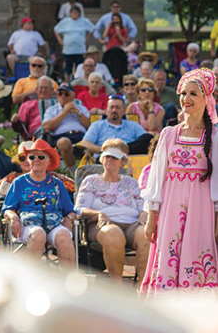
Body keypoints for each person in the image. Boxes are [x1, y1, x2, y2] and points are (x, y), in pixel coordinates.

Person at [140, 68, 218, 296]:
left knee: (197, 253)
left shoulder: (214, 137)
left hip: (201, 209)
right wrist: (152, 217)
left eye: (193, 94)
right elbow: (156, 179)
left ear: (206, 98)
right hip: (170, 209)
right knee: (168, 253)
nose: (186, 99)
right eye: (183, 93)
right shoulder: (168, 134)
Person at [75, 138, 149, 282]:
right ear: (101, 159)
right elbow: (79, 208)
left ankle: (143, 288)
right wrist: (99, 213)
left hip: (131, 225)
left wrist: (144, 214)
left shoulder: (132, 183)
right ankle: (117, 287)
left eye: (114, 157)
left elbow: (143, 205)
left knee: (147, 235)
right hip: (101, 225)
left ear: (122, 162)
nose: (109, 159)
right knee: (113, 233)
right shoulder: (91, 181)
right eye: (106, 156)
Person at [2, 139, 77, 269]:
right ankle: (27, 279)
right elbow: (7, 209)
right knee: (39, 233)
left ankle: (70, 282)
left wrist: (70, 219)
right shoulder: (19, 182)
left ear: (48, 161)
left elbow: (70, 210)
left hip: (54, 224)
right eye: (32, 157)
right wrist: (13, 217)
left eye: (41, 157)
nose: (36, 159)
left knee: (64, 235)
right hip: (28, 226)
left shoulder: (57, 183)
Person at [78, 95, 151, 156]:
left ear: (123, 111)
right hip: (105, 159)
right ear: (106, 110)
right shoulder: (97, 125)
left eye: (117, 107)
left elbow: (146, 139)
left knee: (149, 137)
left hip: (129, 159)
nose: (114, 110)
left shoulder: (133, 125)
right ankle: (117, 150)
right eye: (112, 107)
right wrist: (104, 150)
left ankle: (121, 150)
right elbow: (85, 143)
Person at [43, 83, 91, 168]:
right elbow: (46, 127)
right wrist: (64, 112)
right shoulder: (52, 110)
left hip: (81, 137)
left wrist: (78, 113)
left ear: (73, 96)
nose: (63, 96)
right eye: (60, 94)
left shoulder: (82, 109)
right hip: (61, 137)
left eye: (66, 94)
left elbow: (89, 126)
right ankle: (73, 173)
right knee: (64, 142)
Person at [11, 75, 57, 139]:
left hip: (56, 130)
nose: (43, 90)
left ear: (52, 90)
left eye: (46, 88)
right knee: (45, 135)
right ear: (36, 90)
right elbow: (21, 127)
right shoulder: (27, 105)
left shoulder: (57, 104)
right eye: (41, 88)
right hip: (36, 134)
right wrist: (15, 121)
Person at [54, 5, 94, 76]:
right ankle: (67, 82)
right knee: (67, 68)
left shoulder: (84, 21)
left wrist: (87, 39)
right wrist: (60, 40)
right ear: (70, 13)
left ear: (79, 13)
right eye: (73, 12)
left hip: (80, 49)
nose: (74, 14)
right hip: (68, 49)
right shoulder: (65, 21)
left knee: (80, 67)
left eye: (76, 12)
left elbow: (92, 29)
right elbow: (56, 29)